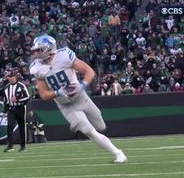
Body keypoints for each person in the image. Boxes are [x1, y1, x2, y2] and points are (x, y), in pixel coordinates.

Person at [29, 34, 127, 163]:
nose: (36, 53)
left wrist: (82, 85)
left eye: (39, 50)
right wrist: (58, 92)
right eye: (35, 50)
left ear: (49, 48)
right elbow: (43, 94)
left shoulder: (64, 56)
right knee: (89, 131)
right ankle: (118, 153)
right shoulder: (36, 68)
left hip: (80, 97)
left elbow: (89, 71)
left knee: (101, 126)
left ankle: (108, 143)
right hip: (65, 105)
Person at [3, 68, 30, 152]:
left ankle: (23, 146)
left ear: (15, 76)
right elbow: (5, 100)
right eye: (8, 77)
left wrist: (18, 99)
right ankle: (10, 146)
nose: (10, 78)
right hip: (11, 109)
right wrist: (5, 111)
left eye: (11, 76)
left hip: (20, 108)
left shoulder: (21, 85)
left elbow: (28, 97)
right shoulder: (6, 87)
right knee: (9, 126)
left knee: (21, 127)